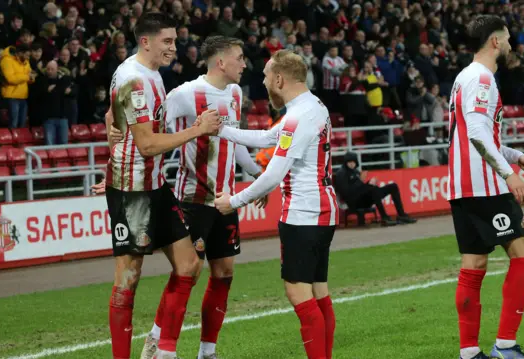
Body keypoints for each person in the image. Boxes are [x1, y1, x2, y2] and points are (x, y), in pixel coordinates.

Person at [101, 12, 221, 359]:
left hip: (154, 183)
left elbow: (112, 116)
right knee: (129, 278)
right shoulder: (136, 80)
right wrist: (198, 130)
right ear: (146, 41)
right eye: (167, 41)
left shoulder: (148, 74)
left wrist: (112, 134)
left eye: (174, 40)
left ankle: (156, 346)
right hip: (132, 190)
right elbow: (147, 145)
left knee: (189, 265)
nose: (174, 47)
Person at [211, 49, 338, 359]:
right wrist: (222, 130)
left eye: (267, 76)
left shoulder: (297, 116)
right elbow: (269, 138)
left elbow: (273, 174)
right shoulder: (313, 107)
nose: (265, 82)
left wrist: (234, 201)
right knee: (318, 291)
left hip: (303, 214)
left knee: (298, 292)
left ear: (279, 79)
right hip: (322, 210)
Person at [446, 15, 524, 359]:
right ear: (495, 42)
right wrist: (508, 174)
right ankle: (506, 345)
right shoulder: (483, 79)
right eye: (509, 38)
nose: (512, 45)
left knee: (474, 264)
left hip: (462, 185)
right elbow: (476, 133)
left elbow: (478, 132)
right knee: (523, 257)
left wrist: (515, 156)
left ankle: (470, 352)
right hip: (485, 187)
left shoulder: (463, 78)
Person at [333, 151, 417, 226]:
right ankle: (384, 217)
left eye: (353, 162)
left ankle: (401, 215)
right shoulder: (341, 173)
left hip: (363, 198)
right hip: (353, 202)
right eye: (349, 162)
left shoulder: (355, 172)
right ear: (346, 162)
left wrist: (368, 183)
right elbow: (346, 192)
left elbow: (360, 188)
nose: (352, 164)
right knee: (373, 189)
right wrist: (363, 183)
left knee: (393, 186)